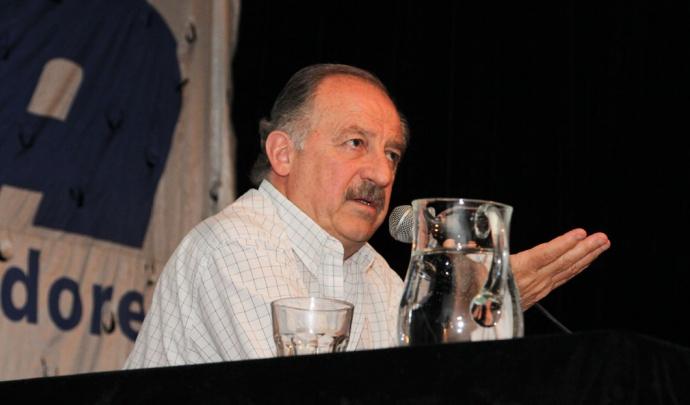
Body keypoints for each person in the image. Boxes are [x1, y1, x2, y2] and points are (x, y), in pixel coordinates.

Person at [123, 63, 610, 368]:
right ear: (283, 153)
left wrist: (469, 313)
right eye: (356, 143)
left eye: (392, 154)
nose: (381, 172)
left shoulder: (376, 275)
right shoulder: (238, 245)